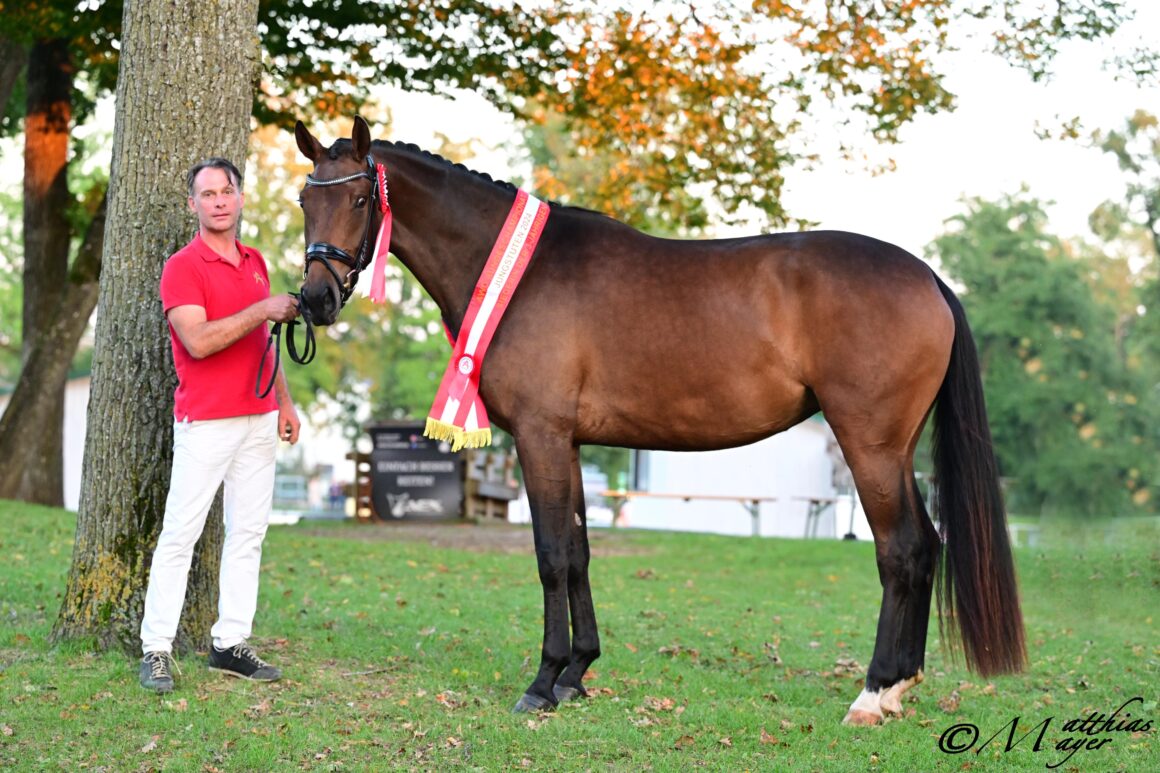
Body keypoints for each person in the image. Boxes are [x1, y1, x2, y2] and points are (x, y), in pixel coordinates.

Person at [139, 157, 301, 693]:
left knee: (248, 534)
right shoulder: (182, 267)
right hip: (206, 422)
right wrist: (263, 309)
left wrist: (285, 402)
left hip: (258, 420)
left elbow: (265, 344)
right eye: (207, 194)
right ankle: (156, 649)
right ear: (194, 204)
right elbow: (199, 341)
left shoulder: (254, 261)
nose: (219, 201)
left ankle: (230, 643)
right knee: (180, 535)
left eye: (226, 190)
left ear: (239, 197)